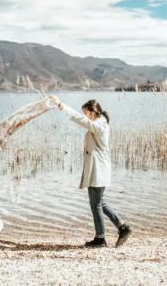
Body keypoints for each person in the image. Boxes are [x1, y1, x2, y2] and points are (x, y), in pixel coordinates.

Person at [48, 95, 132, 248]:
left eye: (86, 113)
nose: (85, 116)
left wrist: (60, 104)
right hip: (98, 170)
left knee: (96, 205)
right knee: (100, 203)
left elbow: (79, 119)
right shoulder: (99, 124)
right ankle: (122, 227)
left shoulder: (99, 125)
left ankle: (100, 238)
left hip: (98, 171)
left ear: (93, 112)